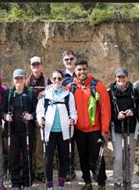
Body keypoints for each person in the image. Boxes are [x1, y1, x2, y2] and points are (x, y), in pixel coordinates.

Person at [66, 59, 111, 190]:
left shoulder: (97, 86)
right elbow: (58, 95)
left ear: (88, 70)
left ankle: (101, 183)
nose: (82, 72)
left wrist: (105, 129)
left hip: (95, 129)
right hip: (79, 130)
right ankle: (87, 182)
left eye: (84, 69)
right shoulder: (71, 88)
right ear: (75, 71)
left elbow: (105, 109)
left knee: (97, 157)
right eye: (79, 70)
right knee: (83, 157)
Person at [36, 70, 77, 190]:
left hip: (64, 132)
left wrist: (72, 119)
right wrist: (40, 119)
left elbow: (73, 112)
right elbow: (39, 111)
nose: (57, 81)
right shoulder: (45, 94)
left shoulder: (68, 94)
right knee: (48, 160)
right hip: (49, 131)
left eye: (59, 78)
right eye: (54, 78)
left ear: (63, 80)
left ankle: (61, 184)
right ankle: (49, 185)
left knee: (64, 159)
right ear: (51, 79)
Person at [1, 69, 37, 190]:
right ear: (13, 79)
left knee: (27, 157)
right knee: (13, 157)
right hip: (13, 131)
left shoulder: (31, 93)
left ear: (24, 79)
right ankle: (15, 183)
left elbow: (38, 111)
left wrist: (31, 116)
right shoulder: (8, 93)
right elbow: (1, 110)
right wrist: (5, 116)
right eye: (16, 78)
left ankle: (27, 182)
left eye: (21, 78)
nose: (19, 80)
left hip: (27, 130)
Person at [109, 68, 137, 190]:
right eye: (118, 77)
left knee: (130, 156)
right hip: (117, 128)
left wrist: (132, 111)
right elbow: (108, 111)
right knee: (119, 157)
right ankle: (117, 180)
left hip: (131, 128)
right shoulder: (110, 93)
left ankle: (128, 179)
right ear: (115, 78)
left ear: (127, 77)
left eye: (123, 77)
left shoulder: (134, 92)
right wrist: (116, 116)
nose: (121, 79)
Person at [25, 56, 52, 182]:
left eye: (38, 64)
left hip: (42, 118)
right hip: (28, 118)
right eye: (33, 65)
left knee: (40, 147)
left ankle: (40, 171)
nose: (36, 67)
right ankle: (30, 170)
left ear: (41, 65)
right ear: (30, 66)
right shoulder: (26, 81)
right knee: (29, 145)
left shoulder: (48, 81)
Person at [61, 50, 77, 181]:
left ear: (75, 59)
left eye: (71, 59)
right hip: (66, 116)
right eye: (66, 59)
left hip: (82, 115)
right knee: (67, 145)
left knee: (85, 146)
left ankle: (89, 171)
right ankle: (69, 171)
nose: (69, 61)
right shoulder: (60, 77)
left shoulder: (81, 74)